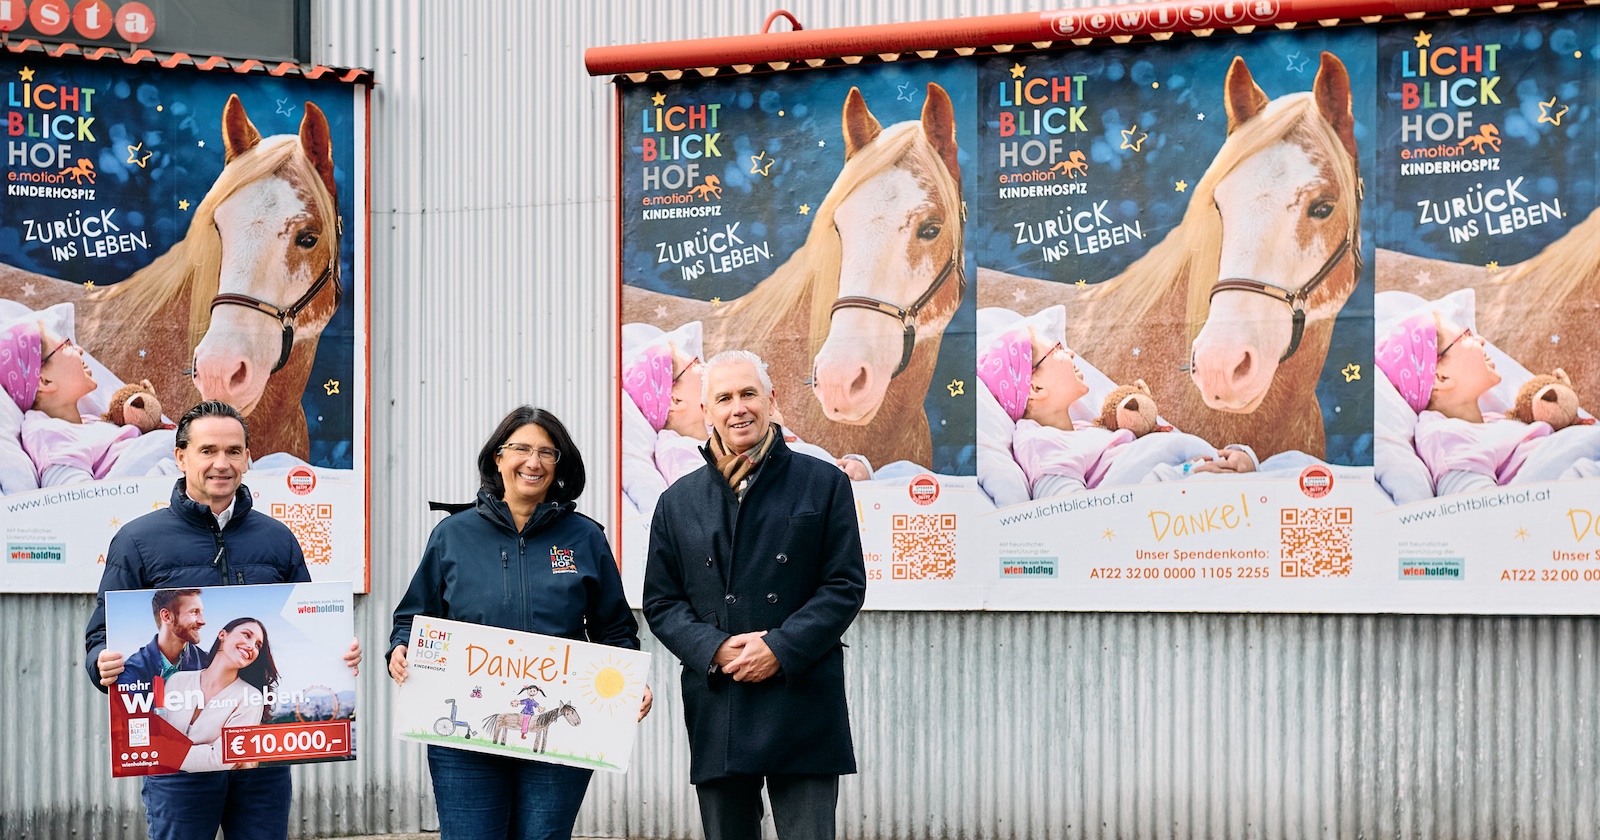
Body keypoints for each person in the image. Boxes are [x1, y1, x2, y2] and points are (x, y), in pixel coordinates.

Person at [82, 400, 362, 840]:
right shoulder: (138, 541)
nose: (222, 463)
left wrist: (339, 652)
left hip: (261, 768)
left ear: (249, 458)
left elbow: (311, 623)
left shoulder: (278, 539)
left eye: (234, 451)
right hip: (178, 774)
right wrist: (102, 662)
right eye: (208, 450)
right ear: (181, 457)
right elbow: (99, 635)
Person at [387, 405, 651, 840]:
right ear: (498, 457)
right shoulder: (453, 534)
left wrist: (627, 682)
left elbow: (615, 629)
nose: (534, 462)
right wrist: (400, 647)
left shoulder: (585, 538)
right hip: (465, 739)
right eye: (521, 449)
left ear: (559, 464)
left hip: (557, 741)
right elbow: (414, 617)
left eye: (547, 453)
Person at [643, 349, 868, 840]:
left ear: (771, 399)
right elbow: (661, 602)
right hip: (720, 695)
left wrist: (779, 648)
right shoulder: (676, 502)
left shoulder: (823, 484)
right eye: (723, 397)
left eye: (748, 393)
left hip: (802, 692)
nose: (737, 407)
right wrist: (713, 648)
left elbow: (845, 584)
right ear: (707, 413)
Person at [979, 325, 1254, 498]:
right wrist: (1179, 478)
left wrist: (1236, 456)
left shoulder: (1086, 430)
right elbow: (1072, 520)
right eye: (1057, 349)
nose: (1072, 353)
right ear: (1035, 388)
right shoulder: (1040, 444)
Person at [1377, 312, 1553, 495]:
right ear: (1441, 378)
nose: (1481, 340)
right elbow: (1477, 512)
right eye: (1466, 335)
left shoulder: (1489, 422)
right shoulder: (1446, 438)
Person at [0, 321, 144, 486]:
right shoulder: (49, 435)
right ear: (45, 381)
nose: (80, 350)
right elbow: (77, 502)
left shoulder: (84, 423)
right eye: (66, 345)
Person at [165, 617, 279, 772]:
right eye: (247, 635)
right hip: (163, 788)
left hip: (213, 790)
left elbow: (219, 759)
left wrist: (162, 752)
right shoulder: (176, 681)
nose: (252, 646)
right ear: (222, 635)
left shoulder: (250, 697)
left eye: (258, 645)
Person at [116, 588, 207, 692]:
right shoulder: (133, 671)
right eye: (194, 612)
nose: (202, 621)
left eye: (201, 612)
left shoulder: (208, 664)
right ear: (167, 616)